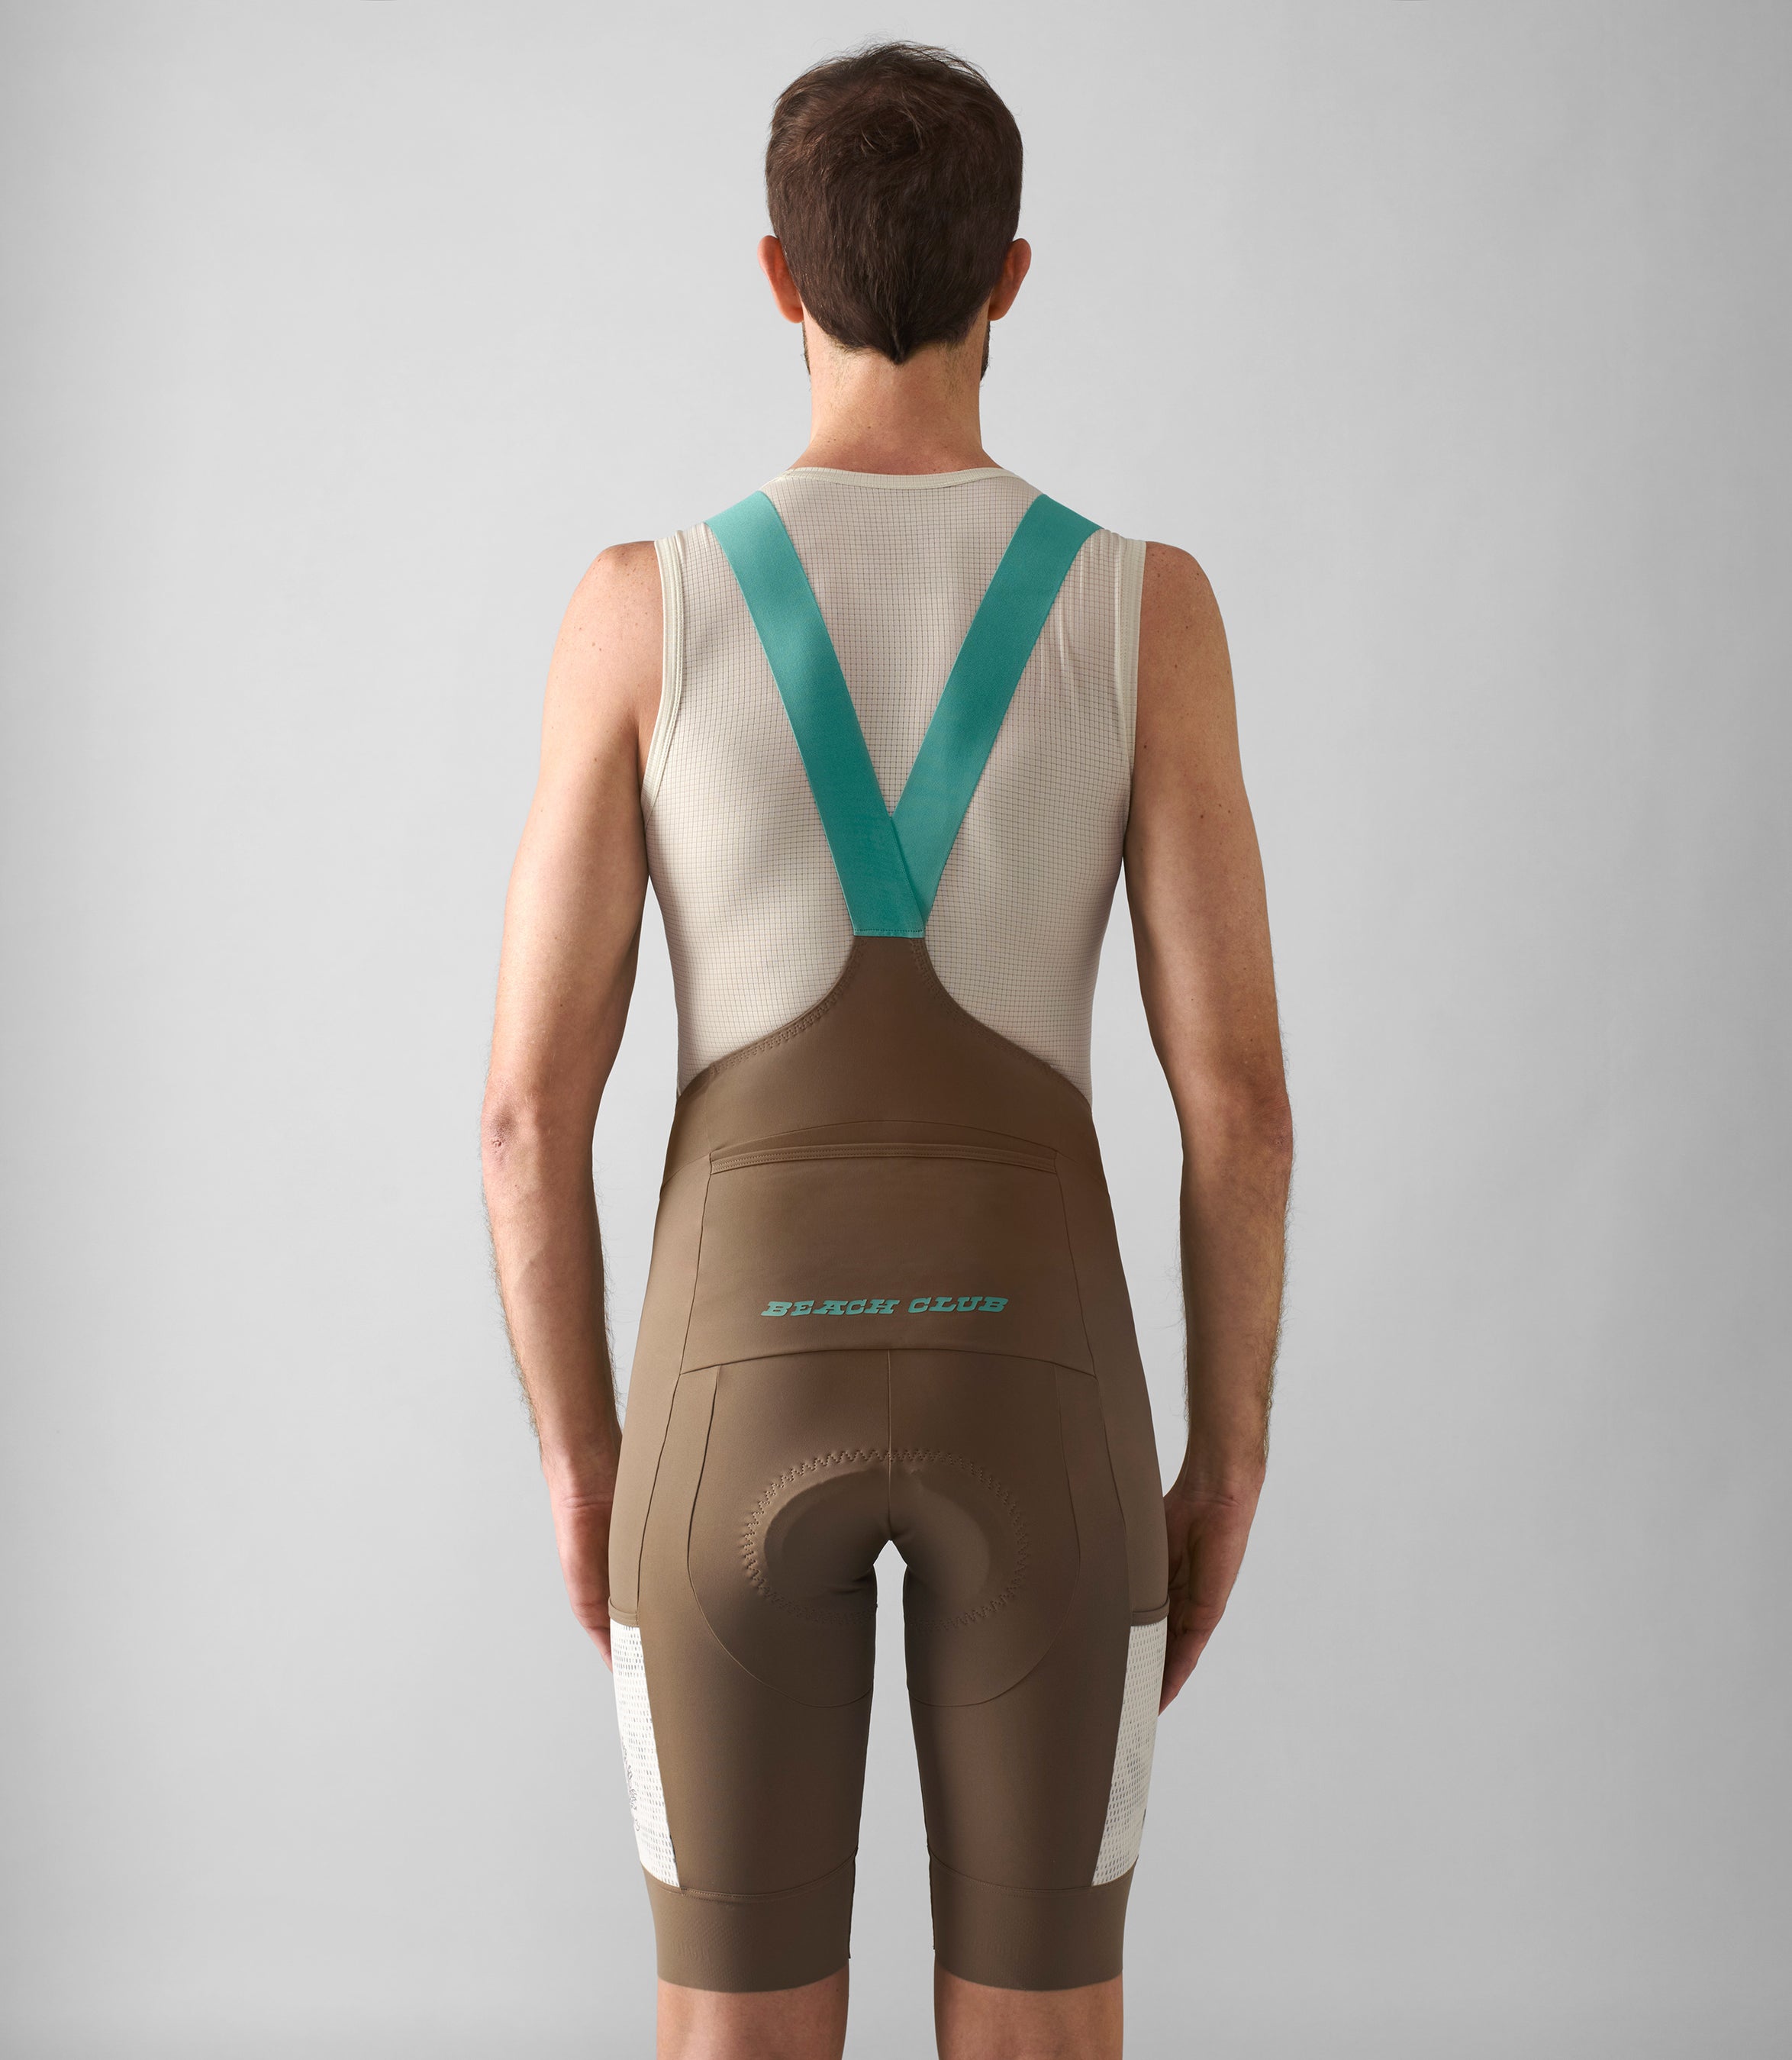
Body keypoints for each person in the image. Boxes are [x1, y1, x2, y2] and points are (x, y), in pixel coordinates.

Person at [481, 40, 1291, 2060]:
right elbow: (1240, 1111)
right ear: (1011, 276)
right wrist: (1225, 1456)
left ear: (777, 276)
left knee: (728, 2035)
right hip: (1050, 1408)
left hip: (722, 1407)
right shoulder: (1146, 611)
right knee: (1046, 2032)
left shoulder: (638, 610)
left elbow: (523, 1115)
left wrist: (584, 1458)